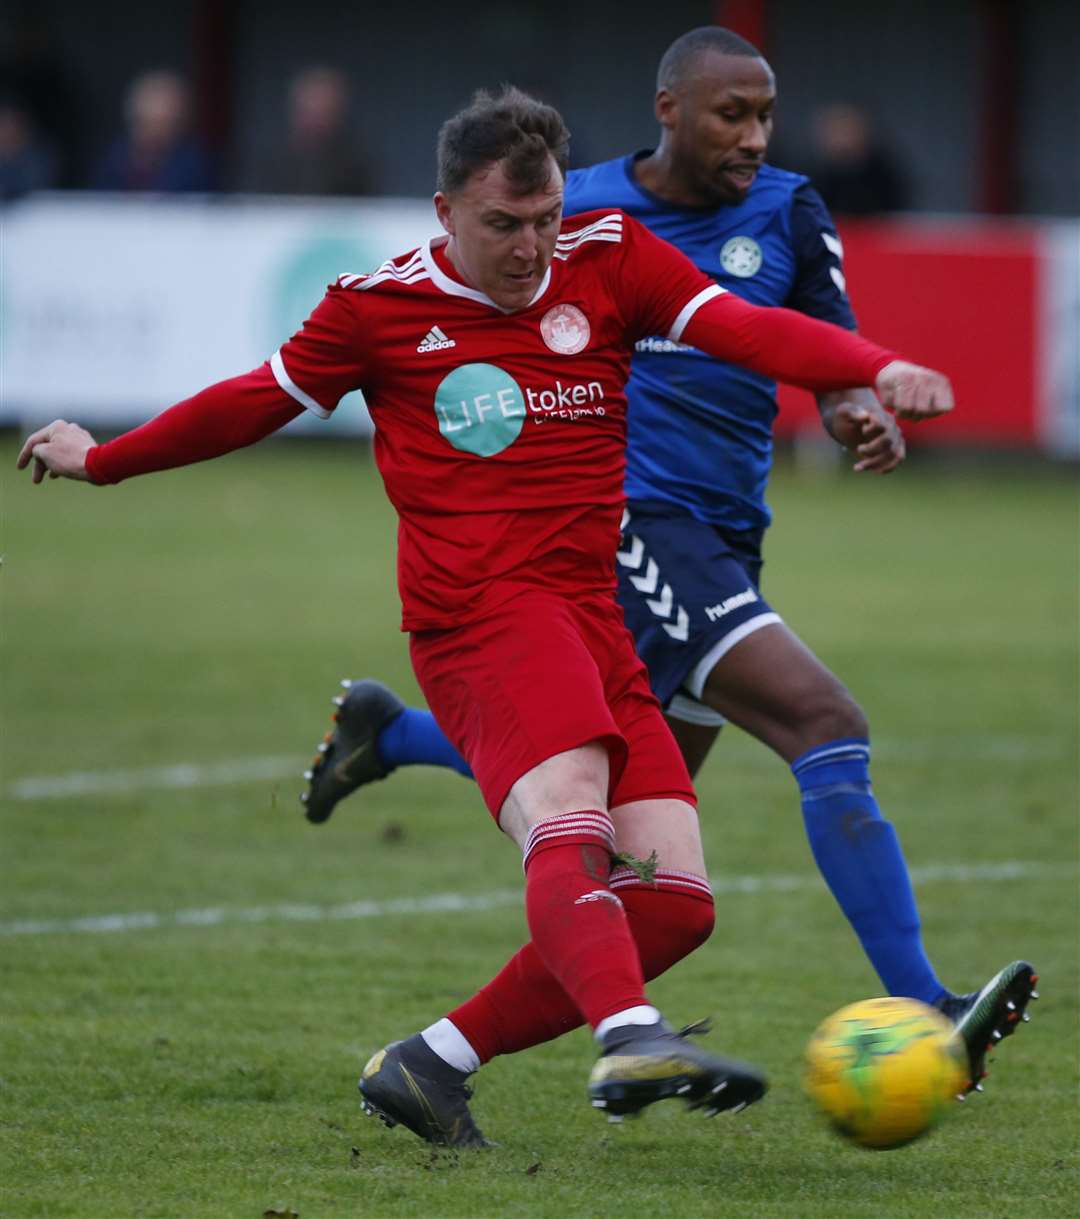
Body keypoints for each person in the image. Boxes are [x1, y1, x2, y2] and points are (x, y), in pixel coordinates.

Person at [21, 85, 958, 1150]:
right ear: (444, 211)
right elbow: (251, 400)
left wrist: (873, 362)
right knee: (572, 814)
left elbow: (745, 328)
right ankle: (631, 1032)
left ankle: (431, 1063)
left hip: (591, 614)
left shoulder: (611, 259)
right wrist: (100, 458)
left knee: (676, 901)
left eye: (546, 219)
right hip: (476, 618)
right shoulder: (375, 308)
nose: (531, 247)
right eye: (503, 225)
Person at [300, 27, 1038, 1112]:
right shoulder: (580, 211)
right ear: (667, 110)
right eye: (729, 113)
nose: (751, 135)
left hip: (724, 531)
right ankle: (926, 1005)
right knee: (822, 721)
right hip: (634, 523)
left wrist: (857, 405)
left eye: (764, 114)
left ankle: (424, 976)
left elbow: (814, 341)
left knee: (640, 850)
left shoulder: (790, 210)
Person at [247, 66, 373, 197]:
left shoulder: (355, 165)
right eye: (311, 108)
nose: (317, 119)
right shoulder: (272, 160)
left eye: (325, 110)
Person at [93, 70, 216, 194]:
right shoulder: (115, 159)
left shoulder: (193, 166)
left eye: (163, 123)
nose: (153, 133)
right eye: (146, 122)